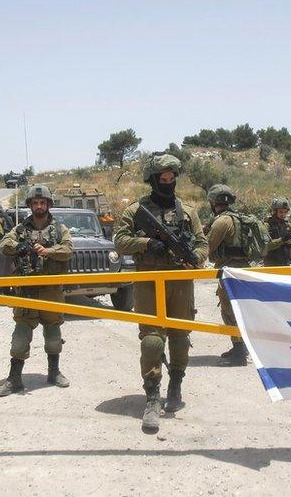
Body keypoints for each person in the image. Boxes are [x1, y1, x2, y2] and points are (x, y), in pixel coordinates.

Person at [113, 154, 208, 434]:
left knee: (180, 337)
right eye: (162, 178)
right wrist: (146, 244)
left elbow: (202, 244)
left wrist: (196, 259)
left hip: (180, 283)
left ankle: (175, 383)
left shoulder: (188, 212)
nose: (168, 182)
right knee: (153, 341)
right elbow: (119, 241)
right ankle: (152, 397)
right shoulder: (135, 211)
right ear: (153, 180)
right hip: (149, 282)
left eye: (171, 177)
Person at [0, 185, 74, 397]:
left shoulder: (59, 229)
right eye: (35, 203)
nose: (39, 206)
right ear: (30, 205)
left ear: (48, 205)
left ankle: (54, 372)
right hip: (27, 290)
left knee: (53, 334)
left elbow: (67, 249)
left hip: (51, 290)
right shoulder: (20, 230)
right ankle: (14, 379)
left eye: (42, 202)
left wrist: (48, 251)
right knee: (20, 336)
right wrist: (17, 247)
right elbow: (4, 245)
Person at [204, 184, 251, 367]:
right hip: (243, 269)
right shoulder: (239, 218)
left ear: (213, 202)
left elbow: (207, 246)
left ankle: (239, 351)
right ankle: (239, 346)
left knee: (229, 310)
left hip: (229, 271)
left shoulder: (222, 221)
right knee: (239, 309)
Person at [264, 197, 291, 267]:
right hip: (271, 265)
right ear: (275, 212)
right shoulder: (267, 225)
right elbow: (265, 246)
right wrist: (282, 240)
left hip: (286, 264)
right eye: (281, 212)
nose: (283, 214)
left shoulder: (287, 225)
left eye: (285, 212)